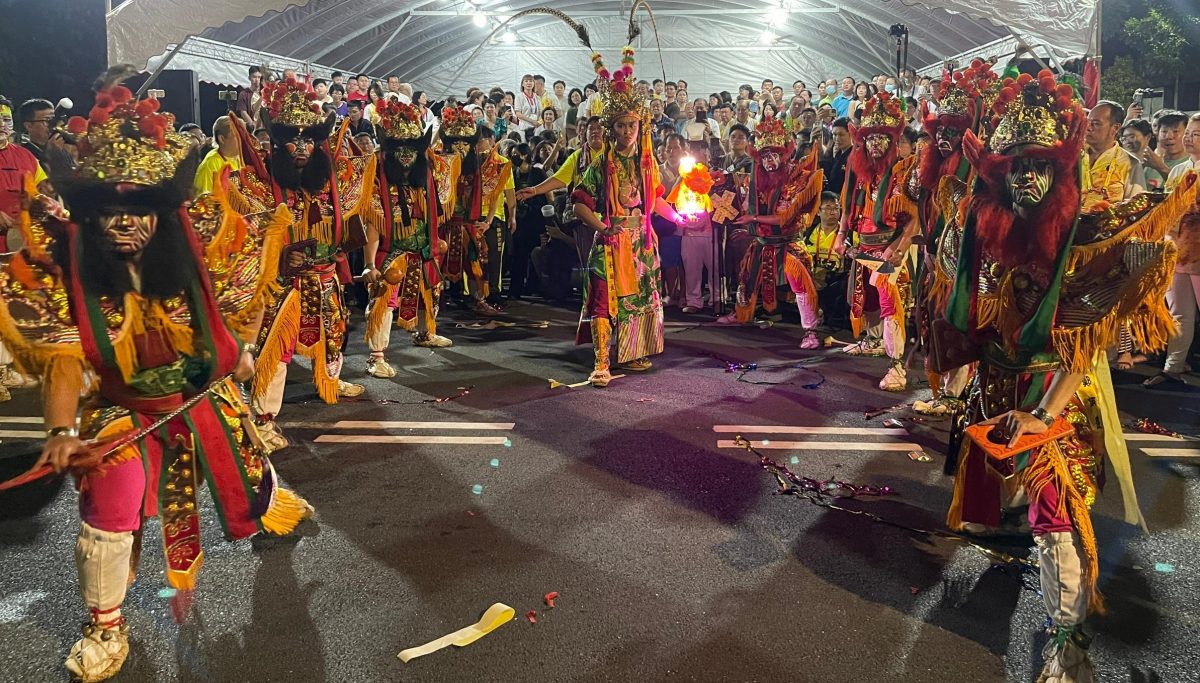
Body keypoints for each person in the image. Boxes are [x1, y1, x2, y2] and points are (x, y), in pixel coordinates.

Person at [0, 79, 313, 682]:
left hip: (198, 398)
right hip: (121, 411)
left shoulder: (198, 260)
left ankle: (273, 501)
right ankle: (105, 627)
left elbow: (239, 310)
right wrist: (62, 428)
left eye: (137, 214)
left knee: (246, 473)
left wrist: (241, 350)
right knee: (108, 510)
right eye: (110, 217)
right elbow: (65, 363)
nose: (122, 228)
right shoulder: (75, 277)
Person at [943, 70, 1196, 682]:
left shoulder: (1083, 237)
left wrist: (1045, 415)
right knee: (1006, 510)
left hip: (1050, 399)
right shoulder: (980, 227)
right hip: (994, 389)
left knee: (1058, 521)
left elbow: (1085, 345)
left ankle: (1068, 646)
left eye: (1040, 167)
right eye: (1016, 167)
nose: (1026, 180)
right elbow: (971, 310)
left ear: (1061, 169)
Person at [247, 76, 372, 447]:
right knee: (277, 350)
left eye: (309, 140)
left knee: (333, 334)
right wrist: (281, 257)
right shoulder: (255, 185)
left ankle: (329, 382)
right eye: (293, 139)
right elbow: (247, 240)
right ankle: (263, 418)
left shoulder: (334, 180)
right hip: (285, 284)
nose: (302, 147)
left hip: (326, 276)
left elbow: (352, 217)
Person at [570, 46, 687, 387]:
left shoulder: (646, 165)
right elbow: (579, 205)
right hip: (610, 242)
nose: (626, 131)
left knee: (637, 301)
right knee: (604, 300)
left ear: (641, 126)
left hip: (640, 244)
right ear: (612, 129)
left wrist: (680, 219)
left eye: (631, 125)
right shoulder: (600, 164)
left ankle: (632, 352)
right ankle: (602, 363)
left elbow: (655, 204)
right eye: (620, 125)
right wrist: (603, 227)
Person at [363, 97, 452, 380]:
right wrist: (369, 263)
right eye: (398, 150)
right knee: (383, 305)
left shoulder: (425, 181)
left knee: (430, 294)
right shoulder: (378, 184)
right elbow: (373, 226)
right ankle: (376, 358)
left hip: (421, 249)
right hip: (393, 254)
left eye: (410, 150)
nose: (405, 156)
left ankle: (426, 333)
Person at [718, 118, 825, 349]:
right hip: (762, 240)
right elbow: (747, 205)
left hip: (787, 242)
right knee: (746, 277)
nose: (768, 161)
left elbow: (783, 217)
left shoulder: (792, 181)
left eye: (773, 155)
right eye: (764, 156)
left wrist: (753, 218)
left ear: (783, 155)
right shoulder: (759, 176)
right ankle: (741, 313)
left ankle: (811, 330)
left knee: (800, 285)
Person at [835, 92, 912, 391]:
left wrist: (899, 247)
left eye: (882, 138)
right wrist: (841, 235)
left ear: (892, 142)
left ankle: (897, 366)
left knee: (888, 300)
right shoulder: (860, 171)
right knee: (864, 297)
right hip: (863, 243)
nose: (875, 144)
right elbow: (847, 206)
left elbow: (914, 217)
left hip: (890, 245)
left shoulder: (905, 172)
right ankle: (871, 340)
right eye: (870, 138)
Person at [0, 95, 49, 401]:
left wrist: (46, 202)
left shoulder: (25, 157)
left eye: (5, 120)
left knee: (9, 309)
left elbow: (40, 189)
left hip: (17, 250)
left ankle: (5, 367)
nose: (1, 127)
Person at [1146, 112, 1200, 387]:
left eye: (1196, 134)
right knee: (1179, 313)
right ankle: (1172, 368)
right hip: (1177, 252)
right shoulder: (1179, 171)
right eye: (1189, 132)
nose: (1190, 138)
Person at [434, 104, 501, 315]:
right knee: (436, 263)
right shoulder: (437, 164)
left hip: (466, 224)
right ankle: (433, 302)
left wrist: (483, 220)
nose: (460, 148)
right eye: (455, 144)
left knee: (474, 263)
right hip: (443, 224)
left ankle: (479, 299)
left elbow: (488, 194)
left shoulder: (477, 167)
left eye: (465, 144)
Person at [477, 127, 515, 305]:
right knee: (474, 257)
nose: (481, 143)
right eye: (478, 140)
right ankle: (475, 293)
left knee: (494, 256)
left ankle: (494, 291)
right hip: (473, 216)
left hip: (496, 216)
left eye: (484, 139)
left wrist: (512, 216)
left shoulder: (503, 163)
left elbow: (510, 193)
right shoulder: (472, 162)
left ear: (492, 140)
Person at [807, 191, 853, 329]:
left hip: (837, 281)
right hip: (813, 279)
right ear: (818, 212)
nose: (833, 212)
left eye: (836, 208)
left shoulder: (848, 233)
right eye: (828, 208)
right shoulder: (809, 233)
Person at [508, 142, 548, 299]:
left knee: (535, 254)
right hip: (519, 220)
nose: (514, 156)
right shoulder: (512, 173)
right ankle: (515, 290)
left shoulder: (537, 172)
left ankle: (534, 286)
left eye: (516, 153)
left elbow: (548, 195)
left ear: (525, 155)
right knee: (518, 256)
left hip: (535, 219)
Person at [19, 98, 75, 175]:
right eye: (47, 120)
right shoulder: (21, 154)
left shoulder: (64, 147)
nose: (53, 126)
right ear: (29, 126)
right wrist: (53, 155)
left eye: (54, 120)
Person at [193, 115, 242, 196]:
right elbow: (204, 203)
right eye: (238, 136)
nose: (243, 140)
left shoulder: (239, 158)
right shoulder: (209, 165)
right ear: (222, 139)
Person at [1142, 110, 1190, 190]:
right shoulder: (1150, 161)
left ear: (1187, 134)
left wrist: (1160, 167)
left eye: (1175, 131)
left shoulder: (1194, 164)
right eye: (1164, 131)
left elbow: (1186, 192)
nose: (1169, 136)